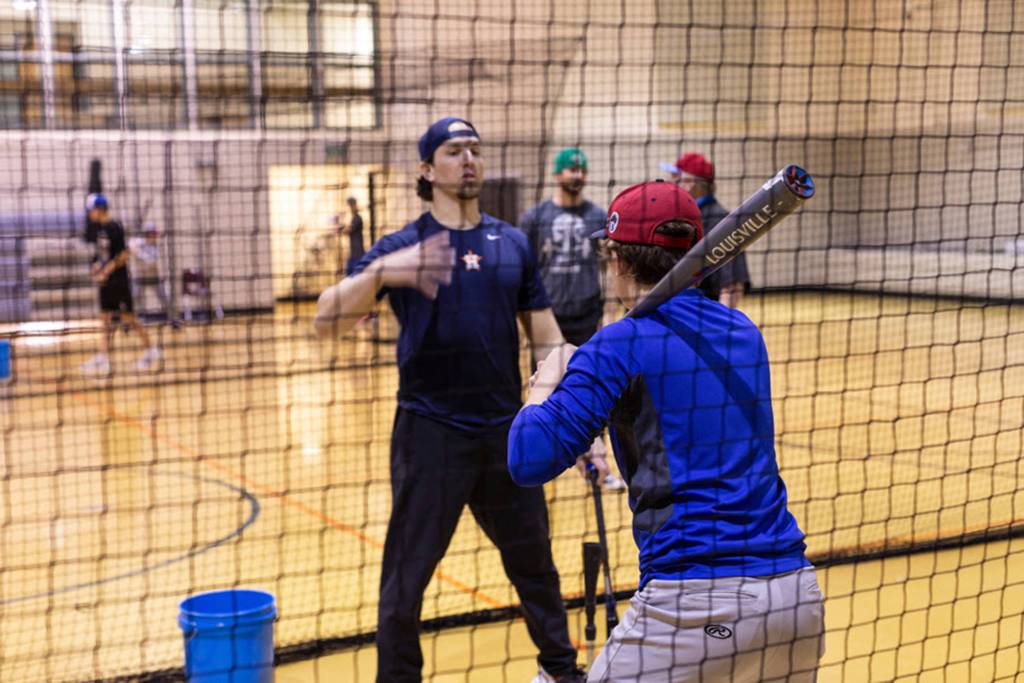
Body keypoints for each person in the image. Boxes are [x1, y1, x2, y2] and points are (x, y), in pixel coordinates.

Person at [508, 180, 824, 682]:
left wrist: (545, 384)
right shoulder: (744, 332)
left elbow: (527, 458)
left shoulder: (616, 346)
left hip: (695, 607)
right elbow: (667, 408)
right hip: (794, 600)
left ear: (616, 259)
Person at [314, 117, 583, 683]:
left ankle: (560, 670)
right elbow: (325, 320)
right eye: (455, 150)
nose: (469, 160)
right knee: (405, 579)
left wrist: (550, 403)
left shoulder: (512, 244)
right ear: (426, 168)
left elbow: (549, 340)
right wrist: (386, 271)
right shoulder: (402, 246)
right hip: (430, 433)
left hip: (503, 432)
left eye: (476, 150)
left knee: (534, 562)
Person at [519, 147, 624, 491]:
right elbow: (524, 272)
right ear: (557, 174)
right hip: (548, 318)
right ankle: (550, 456)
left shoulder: (597, 216)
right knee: (545, 388)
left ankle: (598, 462)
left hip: (586, 314)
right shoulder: (536, 217)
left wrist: (609, 313)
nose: (577, 175)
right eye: (571, 170)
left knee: (594, 389)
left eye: (582, 170)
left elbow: (609, 269)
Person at [81, 194, 162, 375]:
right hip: (105, 282)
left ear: (99, 209)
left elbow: (124, 254)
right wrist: (95, 268)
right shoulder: (98, 230)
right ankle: (103, 358)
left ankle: (151, 350)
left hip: (119, 281)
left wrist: (106, 271)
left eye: (91, 210)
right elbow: (101, 255)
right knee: (104, 318)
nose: (89, 214)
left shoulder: (114, 227)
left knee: (129, 317)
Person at [659, 152, 751, 308]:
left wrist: (719, 327)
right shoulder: (684, 217)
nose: (671, 182)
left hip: (703, 316)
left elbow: (732, 286)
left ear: (690, 182)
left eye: (675, 177)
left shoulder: (721, 220)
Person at [128, 222, 178, 327]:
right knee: (134, 299)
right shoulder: (138, 242)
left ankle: (174, 320)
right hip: (139, 278)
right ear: (148, 234)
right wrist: (132, 246)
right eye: (153, 234)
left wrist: (137, 252)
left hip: (153, 278)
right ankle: (128, 323)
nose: (155, 236)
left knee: (165, 298)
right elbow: (129, 245)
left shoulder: (155, 247)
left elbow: (150, 261)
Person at [342, 195, 366, 275]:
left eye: (352, 204)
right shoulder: (354, 218)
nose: (350, 207)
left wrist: (341, 228)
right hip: (354, 254)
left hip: (358, 254)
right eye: (350, 205)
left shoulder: (358, 218)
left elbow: (348, 230)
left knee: (353, 274)